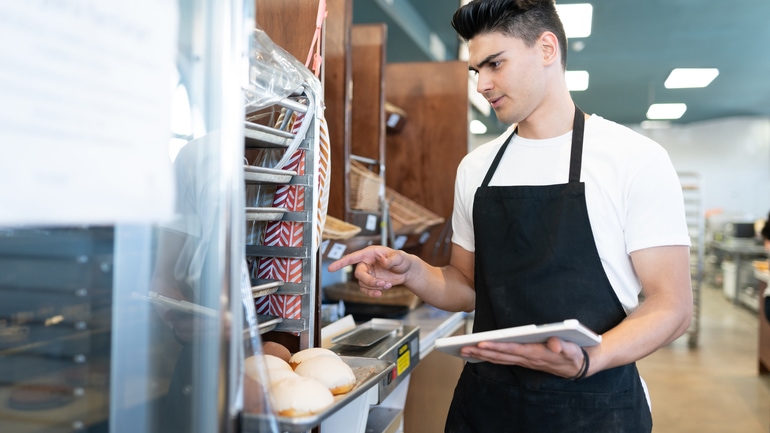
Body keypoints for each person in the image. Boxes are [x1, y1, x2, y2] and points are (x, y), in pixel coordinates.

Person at [328, 0, 693, 431]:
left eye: (494, 64)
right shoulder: (477, 169)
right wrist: (414, 271)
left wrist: (588, 359)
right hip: (487, 407)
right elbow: (467, 286)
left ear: (546, 49)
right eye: (475, 70)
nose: (482, 84)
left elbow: (671, 306)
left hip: (596, 407)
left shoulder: (633, 159)